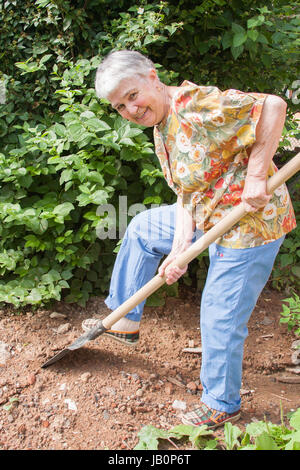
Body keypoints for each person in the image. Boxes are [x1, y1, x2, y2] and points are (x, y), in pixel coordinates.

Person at [82, 50, 296, 429]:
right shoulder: (161, 126)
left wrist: (256, 175)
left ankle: (221, 403)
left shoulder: (195, 105)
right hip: (208, 213)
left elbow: (274, 106)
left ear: (152, 77)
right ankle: (124, 320)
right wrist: (182, 247)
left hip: (250, 222)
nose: (130, 109)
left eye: (132, 96)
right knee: (144, 228)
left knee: (219, 313)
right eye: (119, 106)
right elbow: (186, 194)